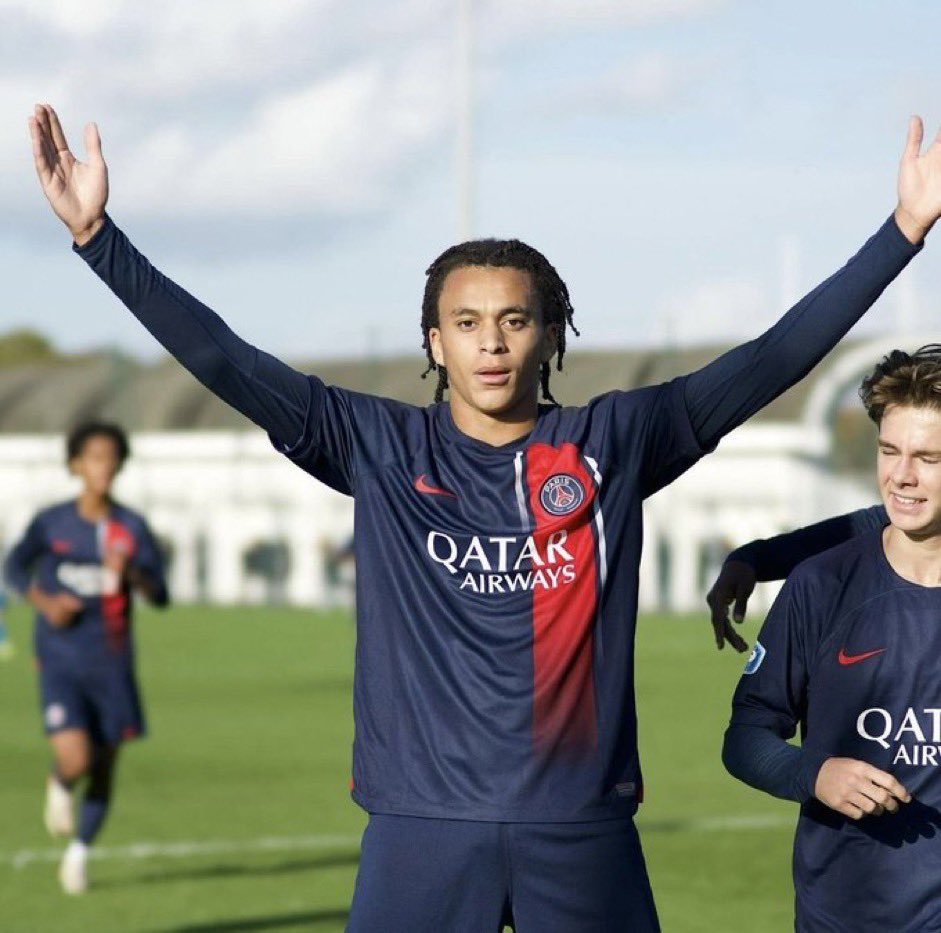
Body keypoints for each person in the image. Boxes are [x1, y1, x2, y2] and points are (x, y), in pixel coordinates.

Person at [26, 101, 941, 930]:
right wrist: (100, 237)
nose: (491, 342)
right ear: (434, 339)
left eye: (513, 320)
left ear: (549, 331)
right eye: (466, 322)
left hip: (579, 825)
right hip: (418, 828)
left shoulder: (616, 440)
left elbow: (774, 355)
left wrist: (903, 231)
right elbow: (225, 359)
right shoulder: (372, 442)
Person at [723, 344, 941, 930]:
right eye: (890, 450)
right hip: (842, 916)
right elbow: (746, 738)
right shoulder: (822, 585)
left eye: (928, 458)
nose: (902, 475)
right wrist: (815, 774)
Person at [5, 421, 169, 894]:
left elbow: (160, 594)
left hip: (112, 660)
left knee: (105, 764)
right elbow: (15, 566)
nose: (105, 465)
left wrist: (133, 574)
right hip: (59, 657)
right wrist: (44, 602)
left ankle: (78, 854)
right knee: (76, 757)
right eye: (95, 456)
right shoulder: (53, 521)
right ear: (77, 464)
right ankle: (59, 783)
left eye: (113, 456)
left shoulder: (131, 527)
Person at [706, 505, 888, 652]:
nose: (901, 476)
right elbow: (811, 543)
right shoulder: (884, 523)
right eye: (890, 456)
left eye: (918, 458)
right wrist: (744, 561)